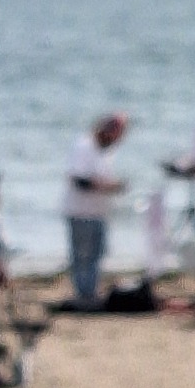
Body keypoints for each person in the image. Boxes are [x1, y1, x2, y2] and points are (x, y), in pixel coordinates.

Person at [63, 113, 130, 309]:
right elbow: (79, 180)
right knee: (82, 256)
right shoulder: (84, 146)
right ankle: (83, 296)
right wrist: (107, 187)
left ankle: (90, 293)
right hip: (80, 212)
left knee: (97, 255)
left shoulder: (105, 152)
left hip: (98, 212)